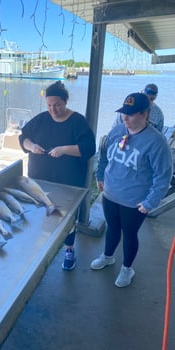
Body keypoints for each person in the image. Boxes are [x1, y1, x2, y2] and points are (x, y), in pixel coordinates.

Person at [91, 92, 172, 287]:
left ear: (145, 114)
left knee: (129, 233)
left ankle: (127, 268)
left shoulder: (156, 142)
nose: (125, 118)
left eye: (131, 114)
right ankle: (108, 256)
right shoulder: (118, 130)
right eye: (123, 113)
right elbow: (104, 154)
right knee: (112, 228)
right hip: (110, 194)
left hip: (135, 201)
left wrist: (150, 202)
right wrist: (100, 175)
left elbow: (163, 176)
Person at [19, 81, 96, 271]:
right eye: (49, 105)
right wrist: (31, 146)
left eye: (57, 105)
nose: (53, 109)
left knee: (66, 219)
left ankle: (69, 249)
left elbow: (89, 148)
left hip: (68, 181)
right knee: (40, 215)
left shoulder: (77, 121)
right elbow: (23, 137)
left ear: (66, 101)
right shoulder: (41, 119)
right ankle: (38, 247)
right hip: (40, 179)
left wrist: (64, 149)